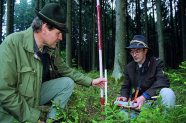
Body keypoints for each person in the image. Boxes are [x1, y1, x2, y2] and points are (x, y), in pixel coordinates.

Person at [0, 3, 105, 123]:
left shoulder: (50, 50)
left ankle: (52, 120)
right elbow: (5, 92)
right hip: (12, 108)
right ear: (44, 28)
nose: (61, 38)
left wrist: (91, 81)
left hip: (35, 95)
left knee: (67, 83)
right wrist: (35, 119)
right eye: (58, 33)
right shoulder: (12, 44)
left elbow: (66, 70)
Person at [116, 35, 176, 115]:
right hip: (137, 104)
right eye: (132, 52)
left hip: (156, 101)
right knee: (122, 114)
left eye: (137, 51)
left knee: (168, 92)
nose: (134, 55)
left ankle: (164, 118)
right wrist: (124, 96)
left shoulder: (157, 63)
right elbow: (125, 87)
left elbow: (163, 82)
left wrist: (144, 97)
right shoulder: (129, 67)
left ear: (145, 51)